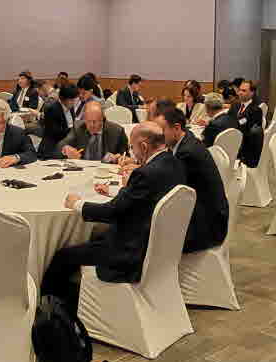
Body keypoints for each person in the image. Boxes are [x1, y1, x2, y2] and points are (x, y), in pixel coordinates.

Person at [43, 123, 184, 316]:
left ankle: (53, 314)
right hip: (157, 245)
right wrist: (125, 190)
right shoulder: (173, 163)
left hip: (131, 253)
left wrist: (77, 204)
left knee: (62, 256)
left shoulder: (146, 174)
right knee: (93, 237)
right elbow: (142, 200)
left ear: (144, 146)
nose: (132, 153)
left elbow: (112, 212)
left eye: (132, 147)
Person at [160, 108, 228, 253]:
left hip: (207, 228)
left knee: (145, 226)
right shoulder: (186, 140)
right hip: (207, 216)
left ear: (176, 128)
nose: (158, 136)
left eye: (162, 130)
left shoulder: (187, 153)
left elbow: (167, 189)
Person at [63, 101, 129, 162]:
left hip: (106, 168)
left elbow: (125, 156)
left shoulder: (117, 131)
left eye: (95, 121)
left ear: (103, 118)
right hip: (82, 167)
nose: (92, 125)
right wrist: (66, 149)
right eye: (88, 121)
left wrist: (117, 158)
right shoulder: (78, 127)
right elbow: (62, 144)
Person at [229, 79, 266, 167]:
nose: (240, 93)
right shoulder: (235, 105)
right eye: (239, 90)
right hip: (231, 139)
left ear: (252, 93)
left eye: (244, 91)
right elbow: (228, 119)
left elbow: (248, 130)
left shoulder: (256, 110)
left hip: (244, 148)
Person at [38, 84, 75, 159]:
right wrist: (73, 131)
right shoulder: (52, 109)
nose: (73, 102)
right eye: (71, 100)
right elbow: (55, 133)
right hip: (52, 147)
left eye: (74, 99)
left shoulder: (70, 107)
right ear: (62, 99)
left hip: (67, 144)